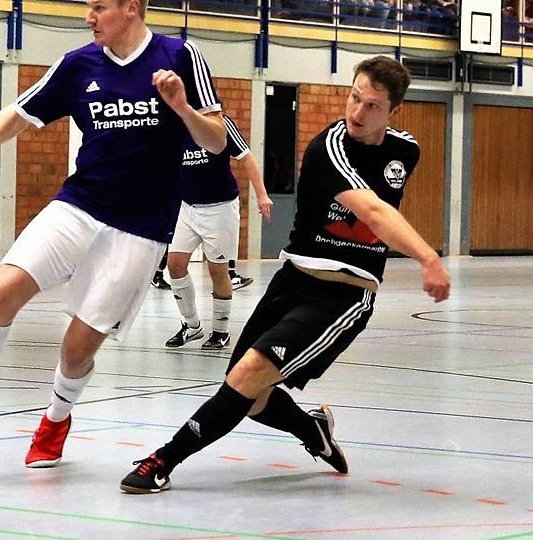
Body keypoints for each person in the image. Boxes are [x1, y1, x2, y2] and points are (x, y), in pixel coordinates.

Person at [0, 0, 228, 468]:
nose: (89, 17)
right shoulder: (78, 64)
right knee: (1, 294)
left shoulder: (180, 56)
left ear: (131, 8)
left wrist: (183, 108)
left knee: (76, 350)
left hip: (141, 225)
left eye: (99, 7)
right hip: (80, 203)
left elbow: (216, 140)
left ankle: (55, 420)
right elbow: (17, 114)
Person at [120, 55, 451, 494]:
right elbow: (371, 210)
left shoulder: (406, 150)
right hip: (291, 282)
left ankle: (162, 461)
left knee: (247, 377)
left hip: (342, 296)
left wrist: (425, 257)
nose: (357, 112)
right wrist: (428, 256)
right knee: (250, 396)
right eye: (354, 98)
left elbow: (379, 212)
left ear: (394, 111)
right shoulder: (327, 147)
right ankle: (313, 431)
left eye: (372, 105)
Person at [164, 114, 272, 351]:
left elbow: (247, 157)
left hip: (220, 207)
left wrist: (262, 194)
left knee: (217, 270)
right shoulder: (173, 124)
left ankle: (221, 331)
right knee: (175, 264)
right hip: (187, 206)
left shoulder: (220, 123)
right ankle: (191, 325)